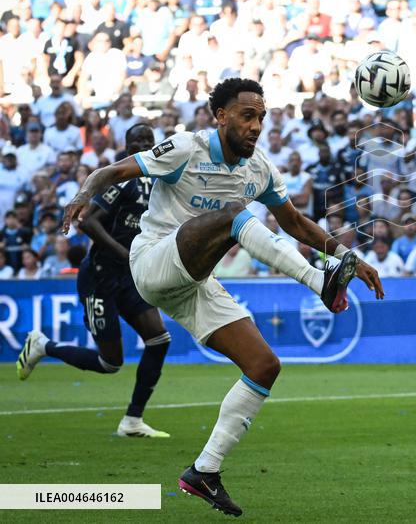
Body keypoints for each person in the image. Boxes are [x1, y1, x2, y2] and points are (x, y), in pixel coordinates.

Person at [46, 79, 383, 516]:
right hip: (151, 262)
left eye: (261, 117)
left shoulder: (258, 168)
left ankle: (204, 471)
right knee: (231, 215)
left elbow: (295, 222)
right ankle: (320, 282)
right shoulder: (187, 148)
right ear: (220, 115)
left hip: (193, 282)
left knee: (264, 365)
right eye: (247, 115)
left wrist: (346, 255)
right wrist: (82, 195)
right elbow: (112, 172)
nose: (256, 125)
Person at [19, 124, 173, 437]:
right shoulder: (120, 178)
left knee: (159, 339)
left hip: (130, 277)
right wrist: (124, 254)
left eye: (148, 140)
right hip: (100, 277)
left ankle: (132, 421)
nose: (143, 145)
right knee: (110, 363)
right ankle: (43, 345)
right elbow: (87, 221)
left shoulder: (159, 183)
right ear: (126, 146)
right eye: (136, 141)